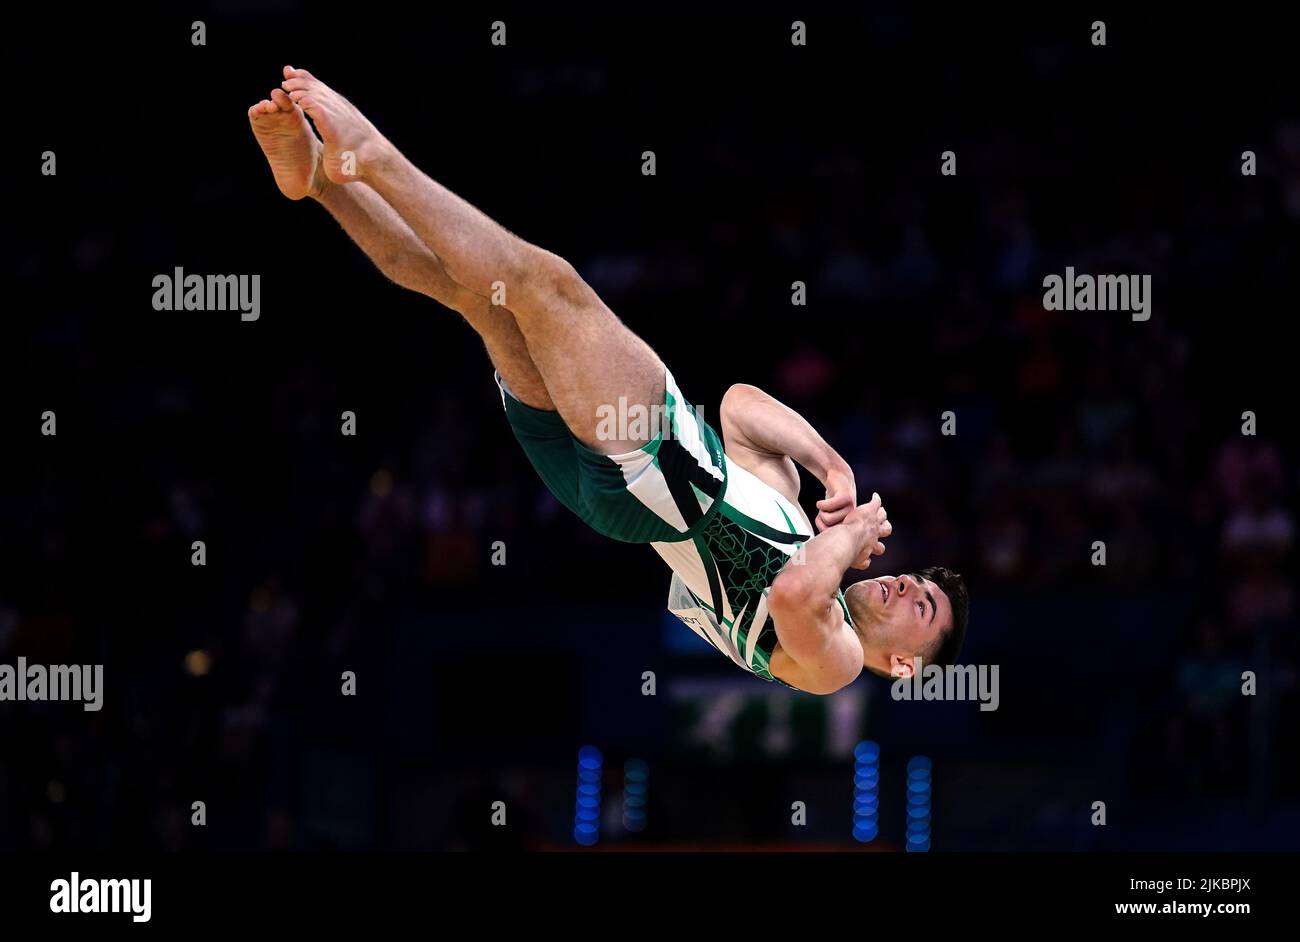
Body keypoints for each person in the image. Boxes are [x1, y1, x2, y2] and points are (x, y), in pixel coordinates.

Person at [248, 66, 968, 694]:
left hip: (651, 470)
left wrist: (853, 535)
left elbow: (790, 595)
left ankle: (372, 159)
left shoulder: (838, 662)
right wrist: (830, 466)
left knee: (546, 285)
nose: (908, 584)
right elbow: (740, 408)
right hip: (614, 483)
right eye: (920, 581)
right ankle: (322, 182)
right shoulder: (790, 522)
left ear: (903, 664)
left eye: (921, 607)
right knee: (481, 299)